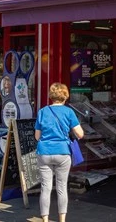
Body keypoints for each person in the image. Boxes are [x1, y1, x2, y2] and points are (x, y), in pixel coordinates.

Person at [34, 83, 84, 222]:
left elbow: (37, 136)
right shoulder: (69, 112)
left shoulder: (42, 111)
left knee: (46, 188)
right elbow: (80, 134)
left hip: (44, 152)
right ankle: (62, 219)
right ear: (65, 96)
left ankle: (45, 219)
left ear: (51, 96)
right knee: (61, 187)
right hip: (62, 152)